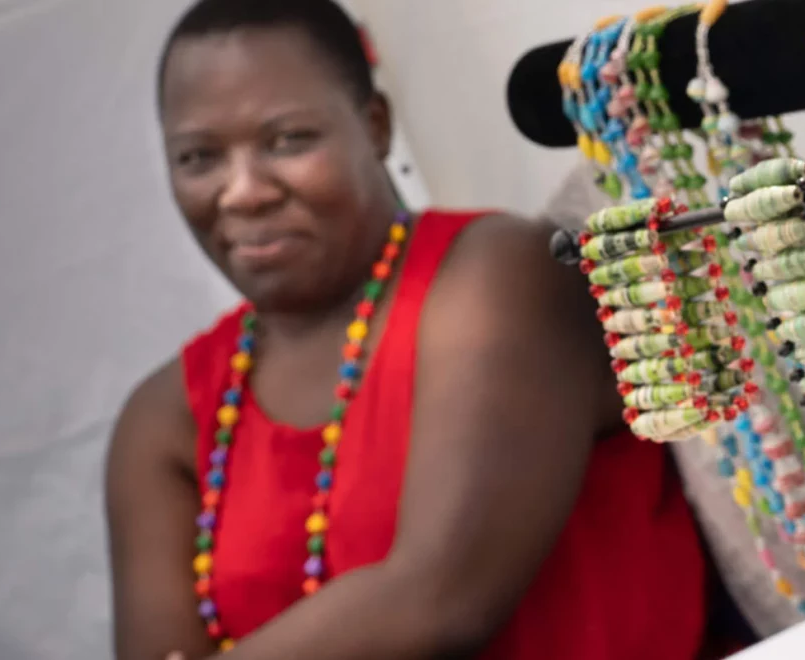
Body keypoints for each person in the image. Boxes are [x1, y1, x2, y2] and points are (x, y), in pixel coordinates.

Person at [105, 0, 707, 657]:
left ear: (376, 126)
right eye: (199, 158)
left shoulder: (496, 276)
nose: (242, 190)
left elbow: (443, 598)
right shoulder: (166, 418)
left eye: (288, 140)